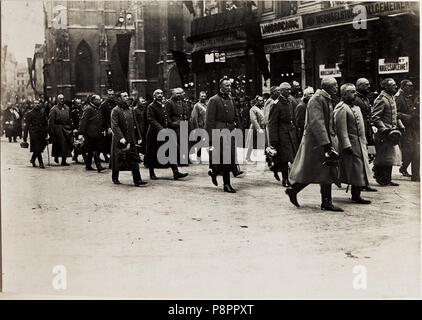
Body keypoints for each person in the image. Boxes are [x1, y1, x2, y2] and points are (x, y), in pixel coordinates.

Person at [285, 77, 343, 212]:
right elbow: (318, 123)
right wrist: (327, 146)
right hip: (317, 143)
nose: (337, 87)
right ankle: (322, 201)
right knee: (316, 170)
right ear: (327, 86)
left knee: (322, 171)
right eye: (335, 85)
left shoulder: (325, 98)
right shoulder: (317, 99)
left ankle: (298, 191)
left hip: (321, 142)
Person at [334, 84, 374, 204]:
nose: (355, 94)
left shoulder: (356, 108)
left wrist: (365, 142)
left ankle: (358, 192)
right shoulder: (341, 108)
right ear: (344, 94)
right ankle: (356, 195)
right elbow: (341, 129)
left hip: (360, 143)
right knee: (356, 169)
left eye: (355, 91)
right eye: (352, 92)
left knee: (361, 168)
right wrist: (346, 145)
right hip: (351, 144)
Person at [145, 89, 188, 180]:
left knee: (171, 149)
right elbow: (151, 120)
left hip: (165, 131)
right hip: (154, 133)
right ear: (154, 96)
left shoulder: (163, 105)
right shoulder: (151, 106)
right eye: (157, 93)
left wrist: (172, 124)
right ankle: (151, 173)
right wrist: (161, 129)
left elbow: (166, 118)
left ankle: (175, 172)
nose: (160, 95)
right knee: (152, 153)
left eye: (161, 93)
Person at [206, 77, 239, 193]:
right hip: (219, 131)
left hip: (230, 130)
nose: (229, 88)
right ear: (221, 87)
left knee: (228, 158)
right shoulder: (214, 100)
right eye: (226, 86)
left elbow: (235, 115)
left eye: (230, 85)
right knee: (224, 158)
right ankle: (227, 184)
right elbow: (209, 121)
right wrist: (210, 139)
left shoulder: (231, 99)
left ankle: (213, 172)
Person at [109, 92, 147, 186]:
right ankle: (115, 177)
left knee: (134, 159)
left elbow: (135, 124)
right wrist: (120, 137)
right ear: (119, 98)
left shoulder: (130, 109)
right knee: (118, 158)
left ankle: (137, 180)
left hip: (131, 138)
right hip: (120, 139)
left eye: (127, 96)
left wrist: (138, 137)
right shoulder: (115, 110)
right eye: (124, 96)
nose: (127, 97)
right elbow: (115, 126)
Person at [372, 78, 404, 186]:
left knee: (389, 156)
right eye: (393, 85)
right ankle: (380, 177)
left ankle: (387, 179)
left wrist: (399, 126)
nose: (396, 87)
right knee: (382, 156)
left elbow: (394, 115)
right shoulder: (381, 99)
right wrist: (384, 129)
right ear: (386, 87)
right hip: (383, 133)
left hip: (391, 133)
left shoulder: (391, 97)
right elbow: (375, 117)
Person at [268, 83, 299, 186]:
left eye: (290, 90)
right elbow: (272, 123)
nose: (289, 92)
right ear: (281, 91)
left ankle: (276, 168)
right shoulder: (276, 104)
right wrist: (273, 140)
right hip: (282, 134)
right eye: (286, 90)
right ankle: (285, 179)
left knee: (291, 156)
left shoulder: (290, 102)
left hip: (291, 132)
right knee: (285, 158)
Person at [78, 95, 106, 173]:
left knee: (91, 149)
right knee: (94, 149)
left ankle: (88, 165)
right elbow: (83, 121)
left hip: (97, 132)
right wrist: (81, 133)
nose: (100, 101)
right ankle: (98, 166)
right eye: (98, 100)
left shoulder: (98, 109)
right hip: (90, 133)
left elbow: (100, 121)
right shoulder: (88, 109)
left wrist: (102, 129)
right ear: (93, 100)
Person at [395, 80, 415, 178]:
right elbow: (396, 114)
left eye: (411, 86)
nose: (411, 88)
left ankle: (404, 167)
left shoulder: (408, 97)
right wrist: (405, 118)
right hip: (404, 127)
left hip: (411, 126)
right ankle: (403, 167)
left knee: (412, 149)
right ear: (403, 86)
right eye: (408, 86)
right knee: (409, 149)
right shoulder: (399, 98)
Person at [166, 88, 191, 165]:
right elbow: (167, 115)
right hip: (174, 125)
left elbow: (185, 113)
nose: (178, 95)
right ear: (173, 94)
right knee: (176, 143)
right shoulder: (169, 103)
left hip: (182, 124)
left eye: (180, 93)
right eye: (177, 93)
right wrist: (171, 123)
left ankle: (183, 159)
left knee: (184, 142)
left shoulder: (182, 103)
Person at [48, 94, 73, 166]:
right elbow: (51, 121)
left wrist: (70, 125)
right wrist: (51, 132)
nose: (62, 100)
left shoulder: (67, 108)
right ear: (57, 100)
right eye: (60, 99)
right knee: (59, 143)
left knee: (67, 143)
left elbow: (69, 118)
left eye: (63, 99)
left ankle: (64, 160)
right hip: (57, 128)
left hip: (66, 127)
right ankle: (56, 156)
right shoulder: (54, 109)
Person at [23, 99, 48, 168]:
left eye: (38, 103)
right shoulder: (30, 113)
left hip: (41, 132)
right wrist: (24, 137)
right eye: (35, 103)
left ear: (40, 104)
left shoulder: (42, 113)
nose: (37, 105)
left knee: (40, 147)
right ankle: (41, 163)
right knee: (37, 147)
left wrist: (46, 133)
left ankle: (33, 159)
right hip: (34, 132)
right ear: (33, 105)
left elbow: (45, 124)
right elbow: (26, 126)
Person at [245, 95, 265, 163]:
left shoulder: (262, 108)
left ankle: (262, 157)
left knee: (261, 143)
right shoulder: (253, 109)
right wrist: (258, 129)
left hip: (262, 127)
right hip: (254, 128)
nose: (262, 102)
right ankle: (248, 157)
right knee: (251, 143)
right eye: (260, 101)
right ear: (256, 101)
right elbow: (253, 120)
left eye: (262, 100)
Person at [190, 91, 208, 160]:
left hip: (207, 126)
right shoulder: (197, 105)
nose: (203, 97)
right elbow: (194, 117)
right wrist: (196, 128)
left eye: (204, 96)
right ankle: (198, 156)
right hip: (200, 126)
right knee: (199, 142)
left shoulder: (208, 104)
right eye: (202, 96)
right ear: (199, 97)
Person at [99, 89, 116, 162]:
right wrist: (108, 127)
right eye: (109, 94)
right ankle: (107, 156)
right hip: (107, 125)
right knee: (107, 142)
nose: (111, 96)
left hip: (115, 125)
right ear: (107, 95)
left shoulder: (116, 103)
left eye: (112, 94)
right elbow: (103, 118)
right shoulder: (104, 105)